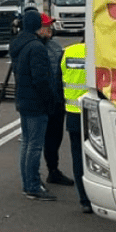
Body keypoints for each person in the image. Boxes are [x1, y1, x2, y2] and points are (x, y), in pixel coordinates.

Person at [10, 8, 59, 201]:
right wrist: (50, 101)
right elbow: (41, 79)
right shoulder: (37, 47)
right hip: (36, 102)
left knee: (28, 144)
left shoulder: (19, 44)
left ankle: (28, 182)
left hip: (23, 99)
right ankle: (32, 184)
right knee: (35, 145)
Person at [38, 14, 75, 186]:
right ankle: (34, 175)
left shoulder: (55, 45)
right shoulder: (33, 47)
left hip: (58, 100)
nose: (50, 29)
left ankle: (53, 170)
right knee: (37, 141)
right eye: (46, 26)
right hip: (42, 102)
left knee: (55, 137)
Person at [61, 40, 93, 214]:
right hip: (94, 114)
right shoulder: (99, 51)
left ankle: (84, 199)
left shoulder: (68, 51)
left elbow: (60, 76)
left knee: (78, 157)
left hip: (72, 112)